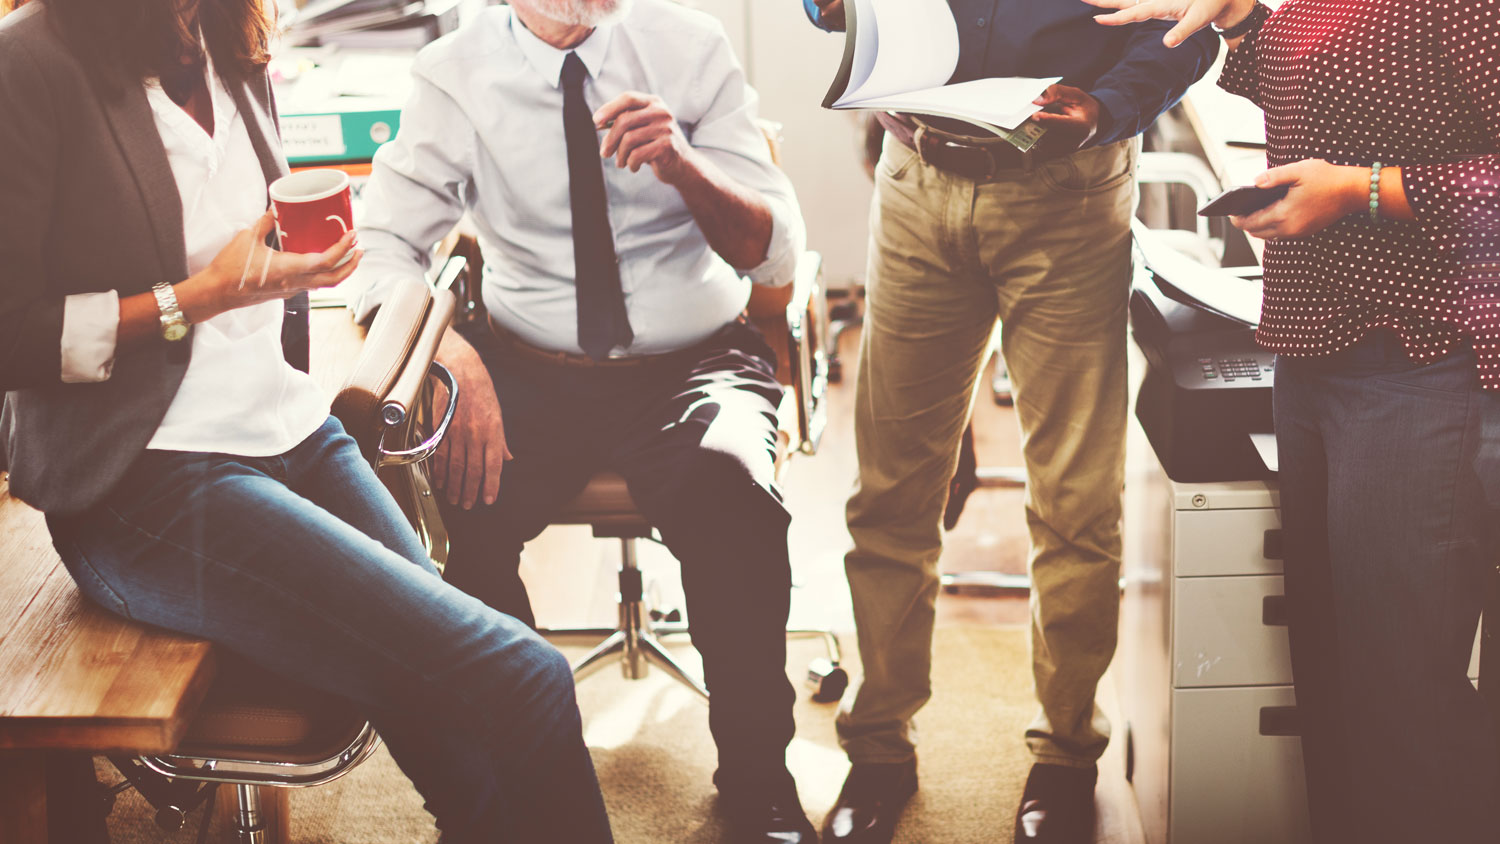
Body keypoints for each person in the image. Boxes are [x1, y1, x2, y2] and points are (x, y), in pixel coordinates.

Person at [0, 1, 615, 841]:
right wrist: (195, 299)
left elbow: (253, 242)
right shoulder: (31, 61)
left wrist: (294, 272)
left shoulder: (226, 33)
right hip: (144, 476)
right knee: (525, 678)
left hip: (285, 421)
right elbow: (12, 334)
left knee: (465, 741)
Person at [350, 0, 813, 840]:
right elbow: (380, 246)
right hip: (530, 366)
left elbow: (772, 251)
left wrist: (682, 164)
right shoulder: (454, 75)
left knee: (735, 494)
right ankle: (525, 783)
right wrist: (450, 346)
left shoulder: (688, 44)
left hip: (696, 356)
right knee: (460, 513)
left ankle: (760, 784)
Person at [1082, 0, 1500, 841]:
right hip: (1314, 350)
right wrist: (1242, 20)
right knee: (1333, 680)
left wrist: (1362, 191)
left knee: (1396, 701)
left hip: (1421, 360)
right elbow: (1325, 86)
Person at [802, 2, 1218, 842]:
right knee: (890, 493)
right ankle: (878, 746)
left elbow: (1193, 23)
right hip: (917, 179)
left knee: (1074, 501)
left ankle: (1066, 754)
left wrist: (1108, 107)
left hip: (1068, 191)